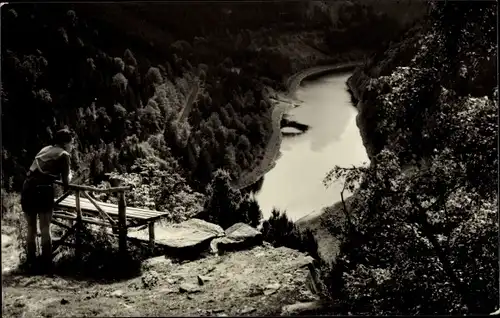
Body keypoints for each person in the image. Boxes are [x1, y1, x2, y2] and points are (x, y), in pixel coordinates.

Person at [21, 128, 74, 272]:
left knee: (31, 228)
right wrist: (70, 176)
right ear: (65, 143)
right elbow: (66, 183)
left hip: (27, 187)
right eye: (71, 143)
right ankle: (46, 265)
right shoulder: (64, 155)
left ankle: (31, 263)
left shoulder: (45, 149)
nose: (72, 146)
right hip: (43, 189)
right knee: (45, 228)